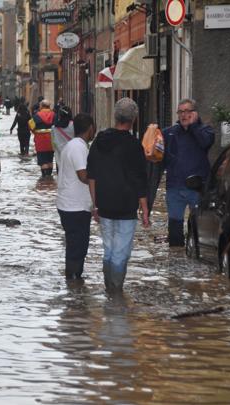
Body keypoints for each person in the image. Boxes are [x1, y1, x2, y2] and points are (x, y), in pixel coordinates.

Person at [87, 98, 149, 292]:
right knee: (120, 252)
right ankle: (115, 293)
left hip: (104, 203)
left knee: (109, 249)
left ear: (115, 117)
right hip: (126, 205)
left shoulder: (99, 141)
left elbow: (92, 175)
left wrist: (94, 204)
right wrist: (145, 210)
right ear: (134, 120)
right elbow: (140, 179)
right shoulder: (134, 145)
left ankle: (109, 290)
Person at [162, 98, 215, 247]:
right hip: (175, 187)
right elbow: (157, 154)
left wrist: (193, 127)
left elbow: (205, 142)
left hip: (197, 188)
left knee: (198, 226)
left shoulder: (206, 131)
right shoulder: (170, 133)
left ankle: (196, 254)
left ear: (195, 113)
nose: (184, 115)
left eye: (187, 111)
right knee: (174, 226)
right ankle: (175, 259)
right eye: (180, 111)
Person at [57, 113, 96, 281]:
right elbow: (83, 175)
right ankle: (73, 281)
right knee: (78, 247)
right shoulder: (78, 147)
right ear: (90, 129)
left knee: (75, 246)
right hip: (75, 207)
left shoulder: (71, 145)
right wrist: (101, 182)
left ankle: (73, 286)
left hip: (70, 205)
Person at [29, 99, 56, 177]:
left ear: (41, 106)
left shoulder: (36, 116)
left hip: (40, 142)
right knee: (50, 160)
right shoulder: (54, 115)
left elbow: (31, 126)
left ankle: (45, 179)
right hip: (51, 141)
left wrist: (35, 132)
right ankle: (50, 178)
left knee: (43, 161)